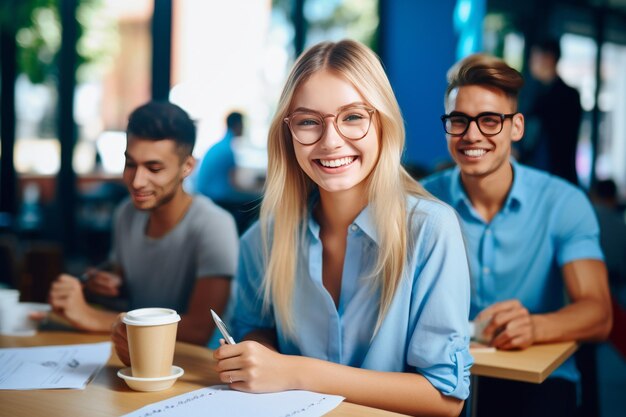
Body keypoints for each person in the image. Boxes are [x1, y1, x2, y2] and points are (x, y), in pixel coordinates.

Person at [209, 40, 472, 416]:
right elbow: (253, 330)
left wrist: (295, 371)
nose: (331, 141)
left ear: (382, 122)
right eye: (308, 122)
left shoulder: (431, 230)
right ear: (289, 134)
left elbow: (444, 398)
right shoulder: (262, 240)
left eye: (352, 117)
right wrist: (253, 353)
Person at [421, 53, 612, 417]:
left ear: (517, 127)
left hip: (538, 381)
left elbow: (599, 314)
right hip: (440, 376)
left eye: (490, 120)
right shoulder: (421, 201)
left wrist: (535, 326)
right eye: (459, 120)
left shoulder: (563, 202)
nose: (471, 134)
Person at [46, 101, 239, 346]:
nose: (137, 181)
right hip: (136, 355)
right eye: (130, 164)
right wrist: (104, 284)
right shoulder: (126, 213)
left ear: (187, 167)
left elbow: (200, 329)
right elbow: (128, 285)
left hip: (196, 367)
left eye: (154, 168)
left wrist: (93, 317)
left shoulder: (214, 225)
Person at [517, 38, 583, 186]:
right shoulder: (566, 95)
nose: (531, 62)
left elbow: (539, 137)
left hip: (549, 176)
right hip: (555, 176)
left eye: (534, 57)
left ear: (548, 59)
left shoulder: (554, 97)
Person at [195, 111, 260, 234]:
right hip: (217, 198)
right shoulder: (227, 150)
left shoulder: (219, 146)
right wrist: (256, 190)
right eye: (243, 124)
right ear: (237, 125)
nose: (244, 128)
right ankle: (240, 235)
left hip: (206, 195)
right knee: (258, 200)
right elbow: (234, 184)